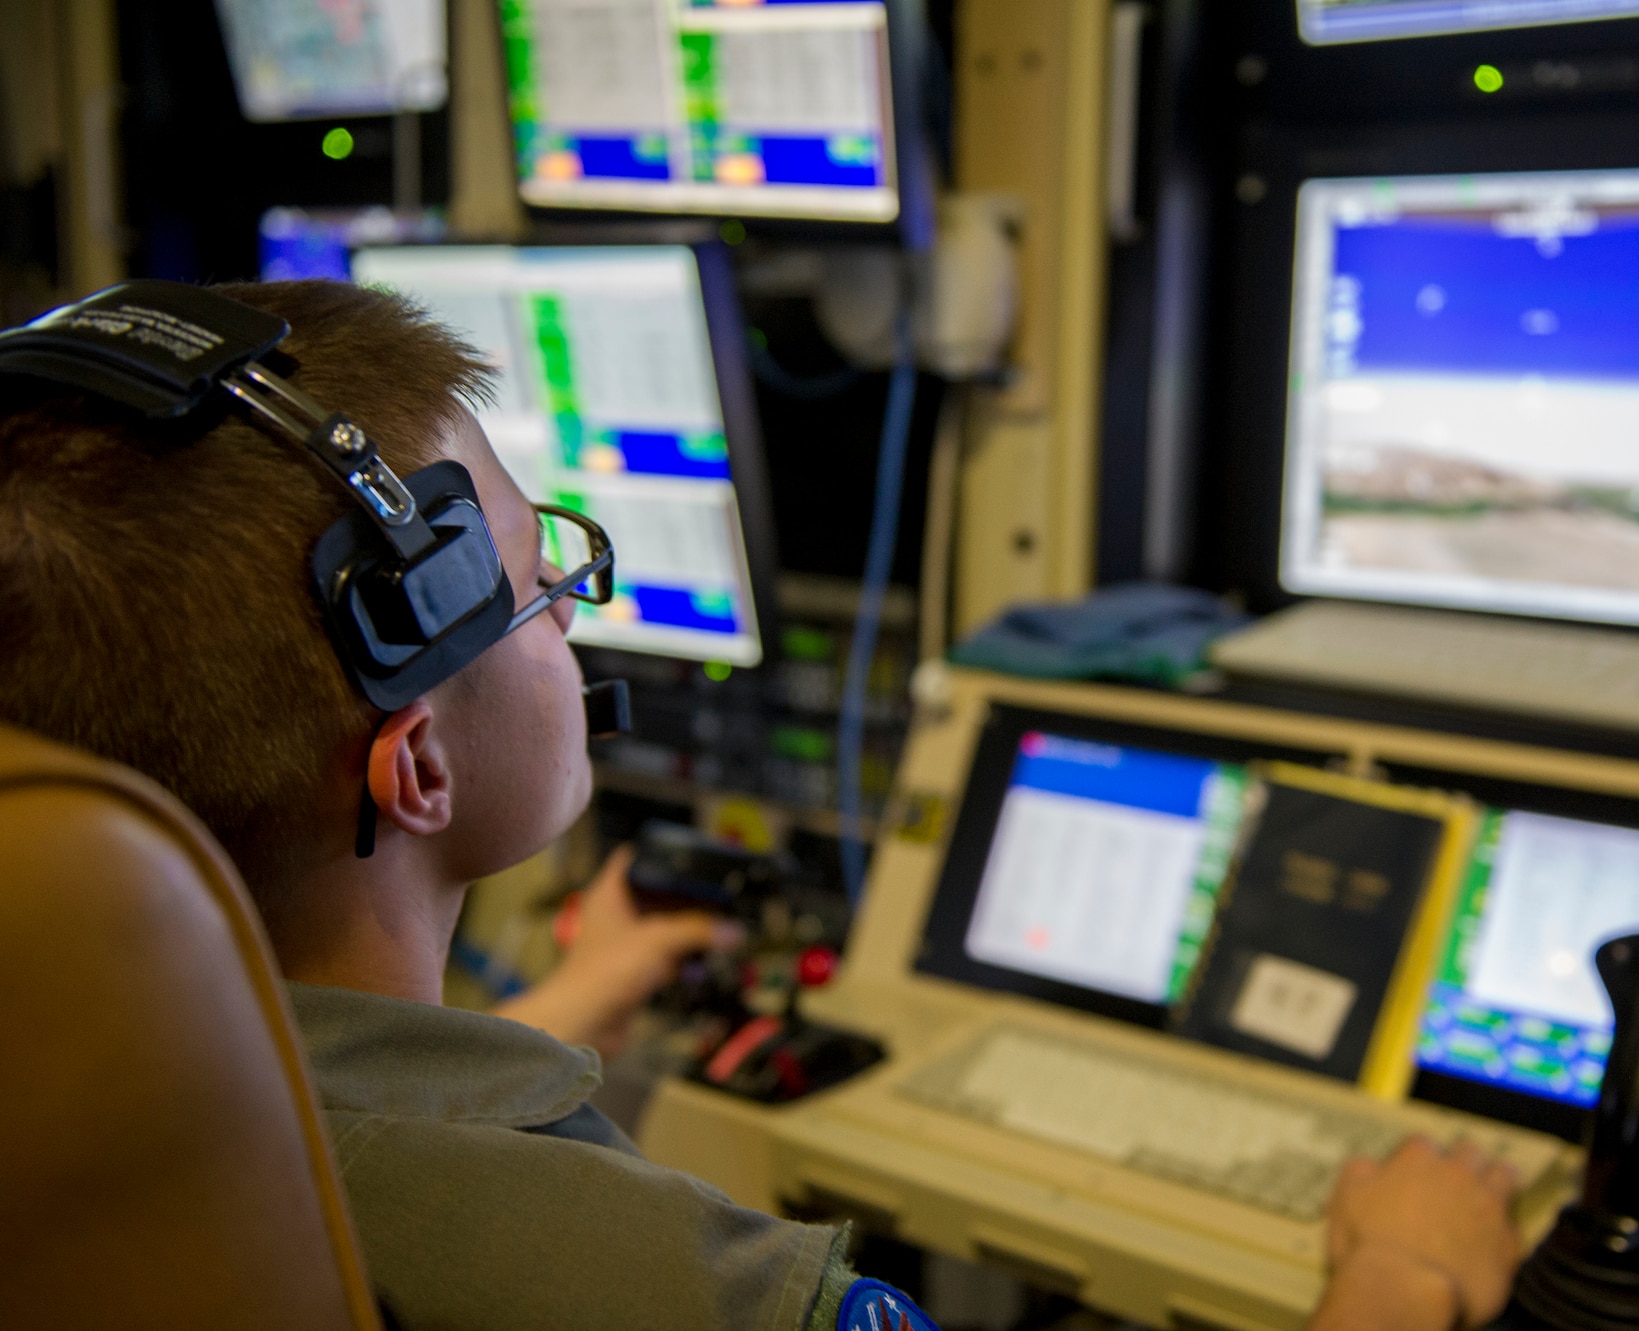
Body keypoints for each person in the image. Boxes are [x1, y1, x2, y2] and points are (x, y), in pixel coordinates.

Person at [0, 279, 1522, 1331]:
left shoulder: (76, 1097)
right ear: (419, 769)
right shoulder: (648, 1277)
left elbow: (349, 1102)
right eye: (551, 590)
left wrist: (582, 986)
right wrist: (1397, 1280)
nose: (573, 625)